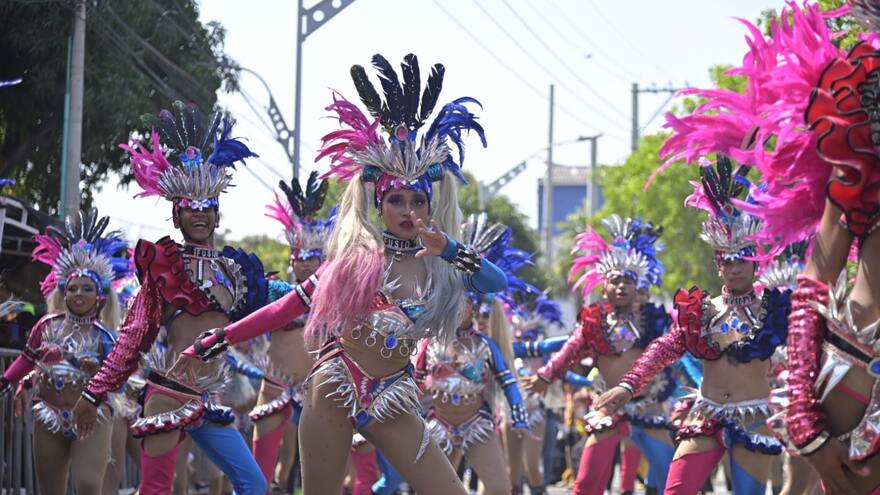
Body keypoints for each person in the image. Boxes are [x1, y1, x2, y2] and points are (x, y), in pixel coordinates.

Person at [180, 53, 507, 494]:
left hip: (393, 397)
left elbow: (496, 283)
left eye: (418, 200)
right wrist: (223, 337)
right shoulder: (358, 260)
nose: (408, 211)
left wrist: (448, 248)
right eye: (397, 201)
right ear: (379, 203)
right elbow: (290, 305)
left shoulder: (442, 265)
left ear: (431, 203)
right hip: (333, 389)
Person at [72, 101, 269, 495]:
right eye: (189, 209)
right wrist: (94, 393)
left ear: (218, 213)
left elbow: (282, 307)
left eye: (207, 207)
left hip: (208, 399)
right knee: (158, 490)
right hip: (166, 395)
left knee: (253, 483)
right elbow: (132, 339)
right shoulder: (164, 268)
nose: (199, 215)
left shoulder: (236, 272)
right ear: (176, 216)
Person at [594, 162, 791, 495]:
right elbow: (663, 348)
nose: (734, 268)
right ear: (718, 264)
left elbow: (808, 349)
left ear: (755, 262)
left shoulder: (774, 310)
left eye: (741, 259)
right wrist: (628, 387)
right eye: (726, 260)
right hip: (704, 415)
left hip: (754, 417)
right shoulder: (703, 310)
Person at [523, 214, 675, 495]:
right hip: (606, 406)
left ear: (637, 285)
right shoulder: (594, 321)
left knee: (673, 479)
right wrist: (546, 375)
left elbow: (672, 351)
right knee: (587, 483)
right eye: (615, 281)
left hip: (647, 406)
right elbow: (569, 351)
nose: (621, 287)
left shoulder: (654, 319)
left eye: (627, 281)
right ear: (604, 286)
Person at [1, 209, 129, 494]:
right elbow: (27, 358)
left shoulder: (105, 336)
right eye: (73, 288)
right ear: (64, 291)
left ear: (100, 296)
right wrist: (7, 381)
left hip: (93, 418)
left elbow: (119, 382)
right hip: (49, 415)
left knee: (86, 486)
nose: (79, 293)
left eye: (87, 288)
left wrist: (98, 376)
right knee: (50, 490)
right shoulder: (46, 326)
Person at [414, 214, 530, 495]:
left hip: (476, 425)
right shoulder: (429, 343)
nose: (456, 308)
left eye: (462, 303)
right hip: (437, 424)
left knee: (500, 488)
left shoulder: (486, 345)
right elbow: (413, 384)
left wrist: (519, 416)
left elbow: (509, 383)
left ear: (474, 306)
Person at [251, 171, 335, 489]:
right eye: (298, 257)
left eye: (312, 258)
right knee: (260, 476)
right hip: (275, 386)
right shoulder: (275, 292)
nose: (304, 264)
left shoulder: (338, 300)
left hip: (320, 391)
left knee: (318, 477)